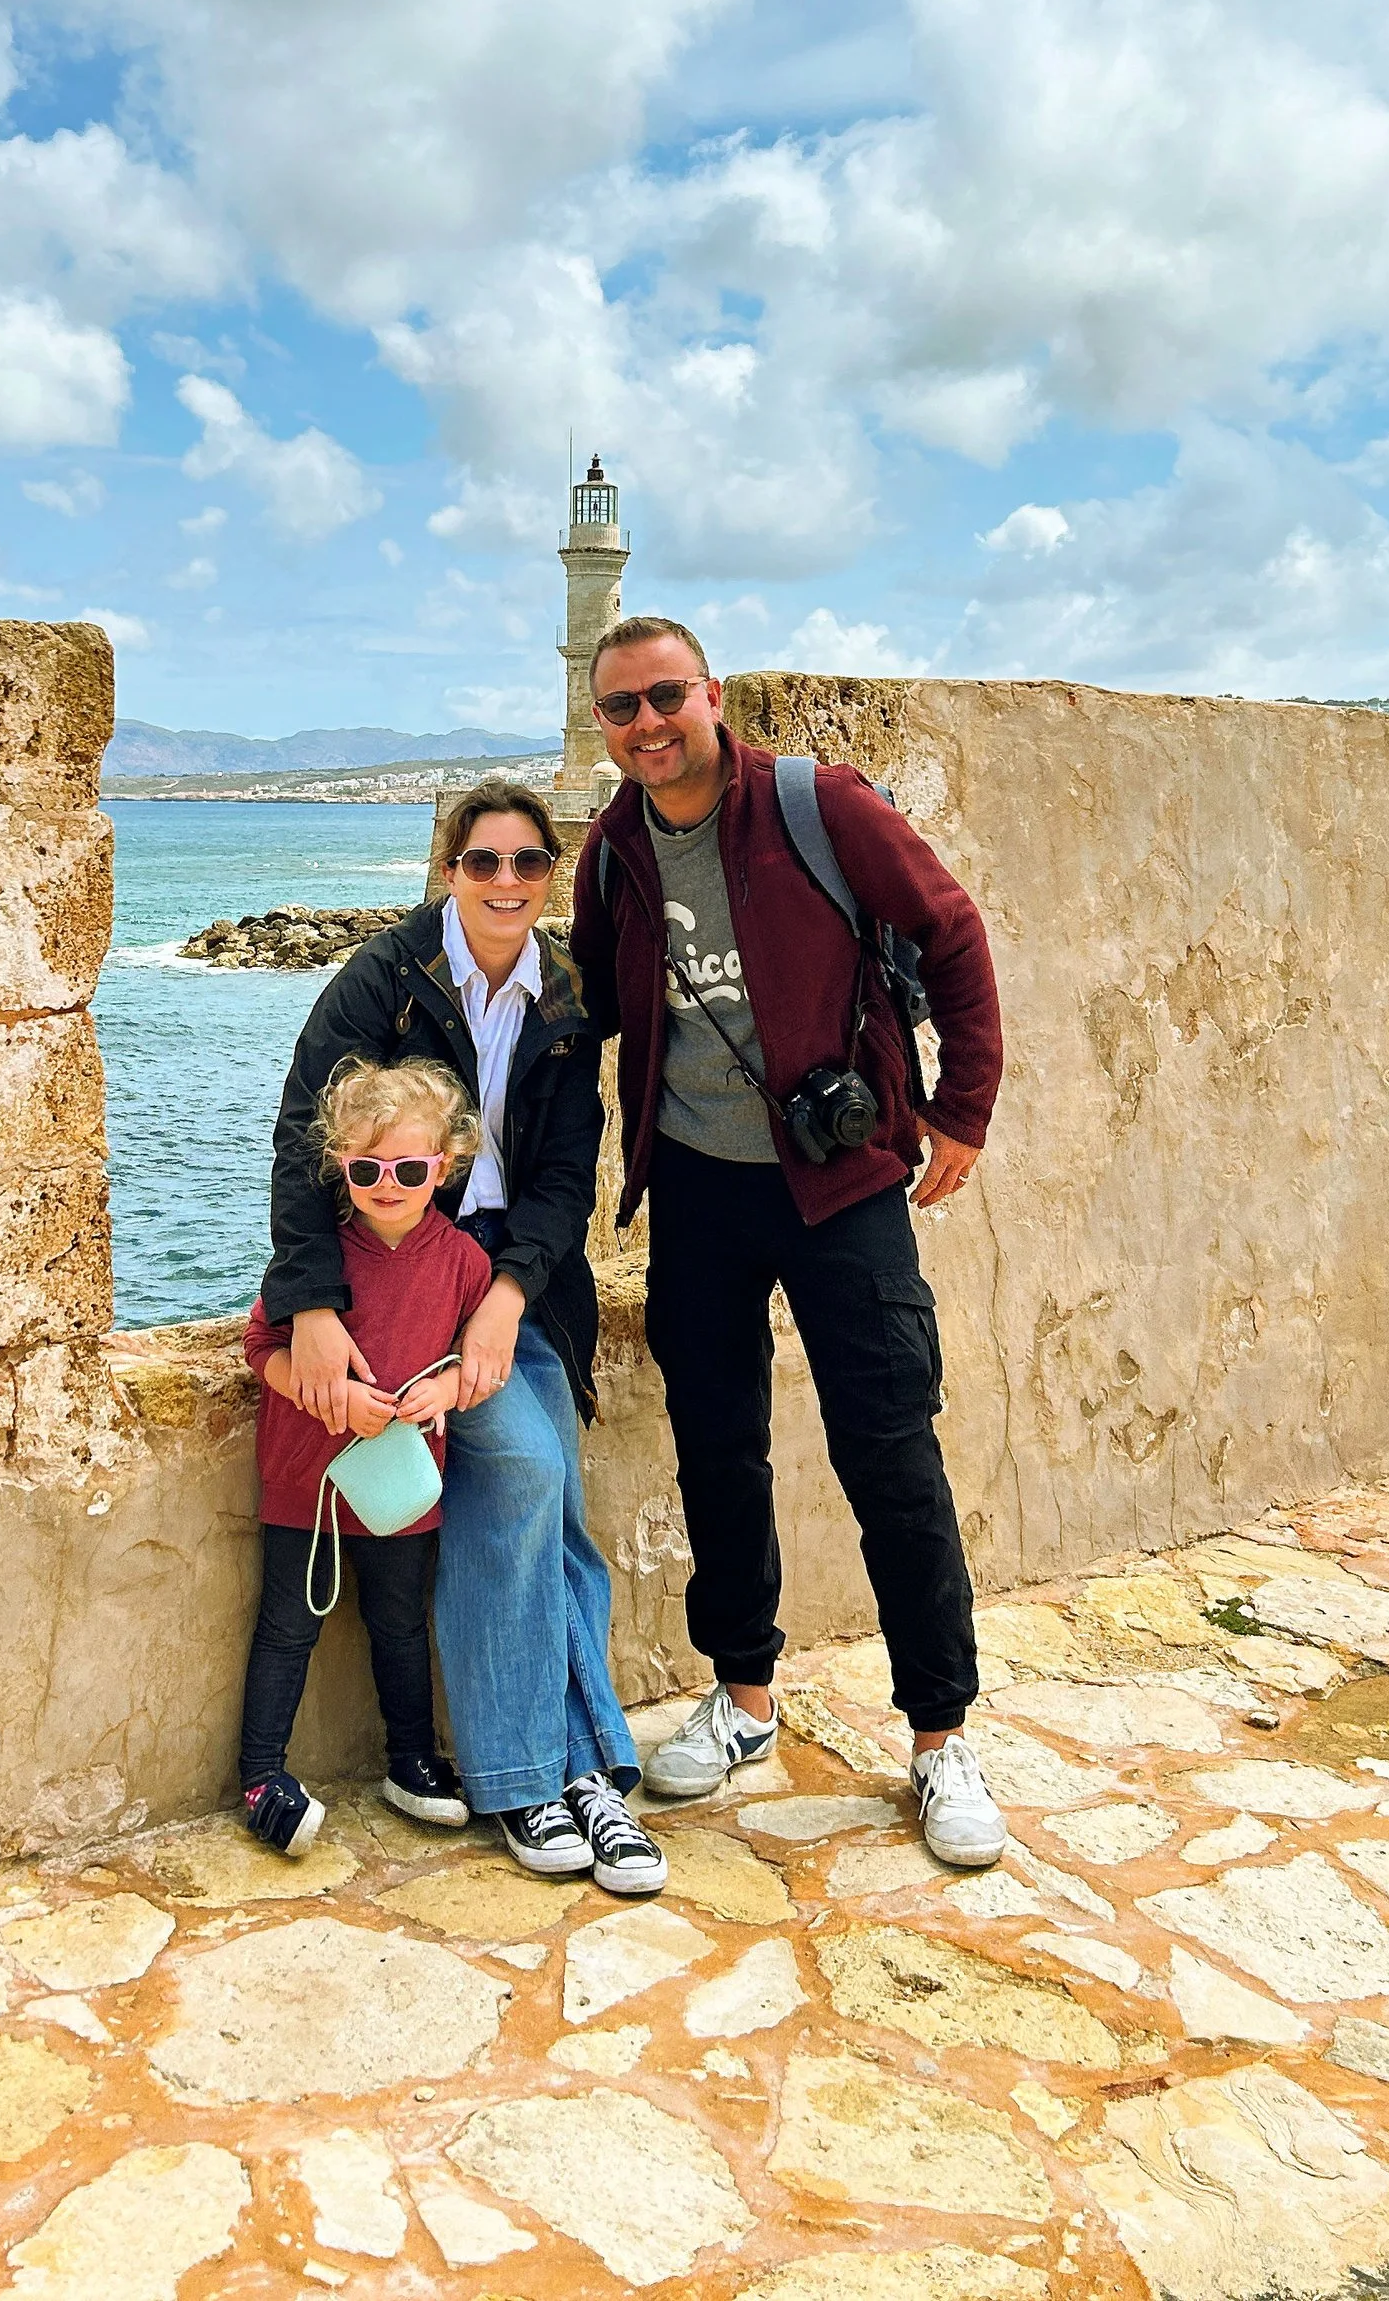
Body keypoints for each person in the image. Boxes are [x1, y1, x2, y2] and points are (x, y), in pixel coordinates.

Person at [571, 615, 1009, 1867]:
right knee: (719, 1451)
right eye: (620, 708)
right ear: (601, 724)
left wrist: (959, 1111)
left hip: (841, 1184)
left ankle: (939, 1737)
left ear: (709, 694)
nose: (646, 724)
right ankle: (744, 1695)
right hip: (702, 1190)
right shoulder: (613, 854)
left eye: (664, 697)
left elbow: (952, 934)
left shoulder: (818, 805)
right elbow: (591, 1006)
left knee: (888, 1451)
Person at [259, 781, 664, 1893]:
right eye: (482, 862)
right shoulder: (382, 978)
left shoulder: (567, 991)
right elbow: (305, 1141)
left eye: (529, 864)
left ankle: (574, 1774)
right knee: (528, 1477)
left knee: (550, 1492)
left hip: (506, 1278)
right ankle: (544, 1774)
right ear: (448, 870)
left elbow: (564, 1169)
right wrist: (313, 1308)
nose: (505, 883)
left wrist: (506, 1300)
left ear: (550, 874)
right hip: (396, 1277)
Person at [236, 1058, 484, 1853]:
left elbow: (480, 1360)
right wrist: (329, 1398)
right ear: (341, 1164)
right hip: (306, 1480)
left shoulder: (463, 1263)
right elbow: (259, 1344)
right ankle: (261, 1772)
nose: (389, 1184)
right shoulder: (316, 1261)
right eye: (368, 1168)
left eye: (410, 1168)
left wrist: (445, 1391)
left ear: (442, 1167)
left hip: (403, 1489)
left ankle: (409, 1758)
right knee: (287, 1627)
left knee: (400, 1625)